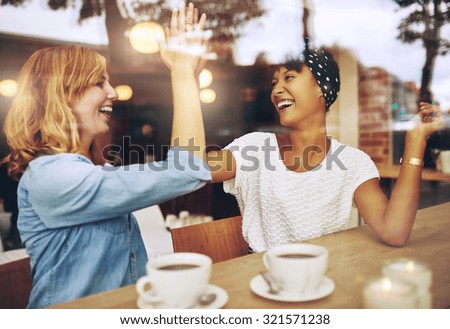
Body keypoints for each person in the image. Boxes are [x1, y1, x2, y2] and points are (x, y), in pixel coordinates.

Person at [1, 2, 210, 308]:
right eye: (100, 82)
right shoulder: (53, 177)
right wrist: (181, 72)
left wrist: (187, 74)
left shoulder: (85, 170)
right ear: (63, 95)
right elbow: (187, 168)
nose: (112, 92)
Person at [207, 43, 444, 253]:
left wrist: (416, 140)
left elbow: (394, 232)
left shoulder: (352, 163)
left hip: (326, 280)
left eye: (289, 77)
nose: (276, 90)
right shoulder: (254, 149)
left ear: (323, 87)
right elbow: (190, 169)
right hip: (263, 280)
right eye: (274, 82)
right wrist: (184, 78)